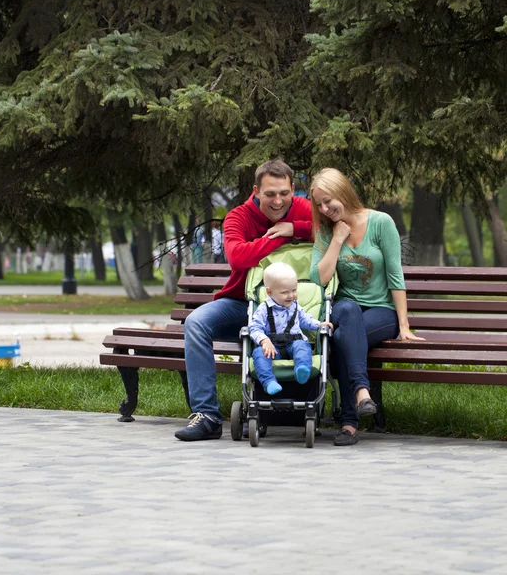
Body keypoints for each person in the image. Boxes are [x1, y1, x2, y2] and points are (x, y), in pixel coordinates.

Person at [175, 159, 314, 441]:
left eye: (284, 193)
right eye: (270, 194)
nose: (278, 201)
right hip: (242, 304)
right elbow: (238, 257)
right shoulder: (238, 216)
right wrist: (279, 236)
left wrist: (293, 228)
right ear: (256, 190)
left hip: (294, 310)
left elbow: (335, 228)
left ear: (293, 189)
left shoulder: (303, 208)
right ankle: (208, 417)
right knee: (196, 323)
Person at [308, 167, 424, 447]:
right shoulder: (326, 232)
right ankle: (362, 392)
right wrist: (337, 239)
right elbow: (319, 278)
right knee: (347, 312)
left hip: (381, 312)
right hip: (346, 309)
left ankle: (349, 422)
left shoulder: (381, 222)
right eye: (319, 204)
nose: (325, 208)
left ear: (342, 192)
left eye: (328, 200)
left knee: (339, 338)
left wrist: (404, 326)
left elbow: (395, 276)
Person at [248, 262, 333, 395]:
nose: (291, 295)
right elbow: (254, 328)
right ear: (269, 292)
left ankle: (302, 369)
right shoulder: (263, 309)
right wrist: (264, 341)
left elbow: (305, 319)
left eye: (294, 290)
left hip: (294, 343)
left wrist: (319, 325)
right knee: (259, 354)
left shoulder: (295, 306)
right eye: (285, 292)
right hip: (272, 348)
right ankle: (269, 382)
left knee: (302, 346)